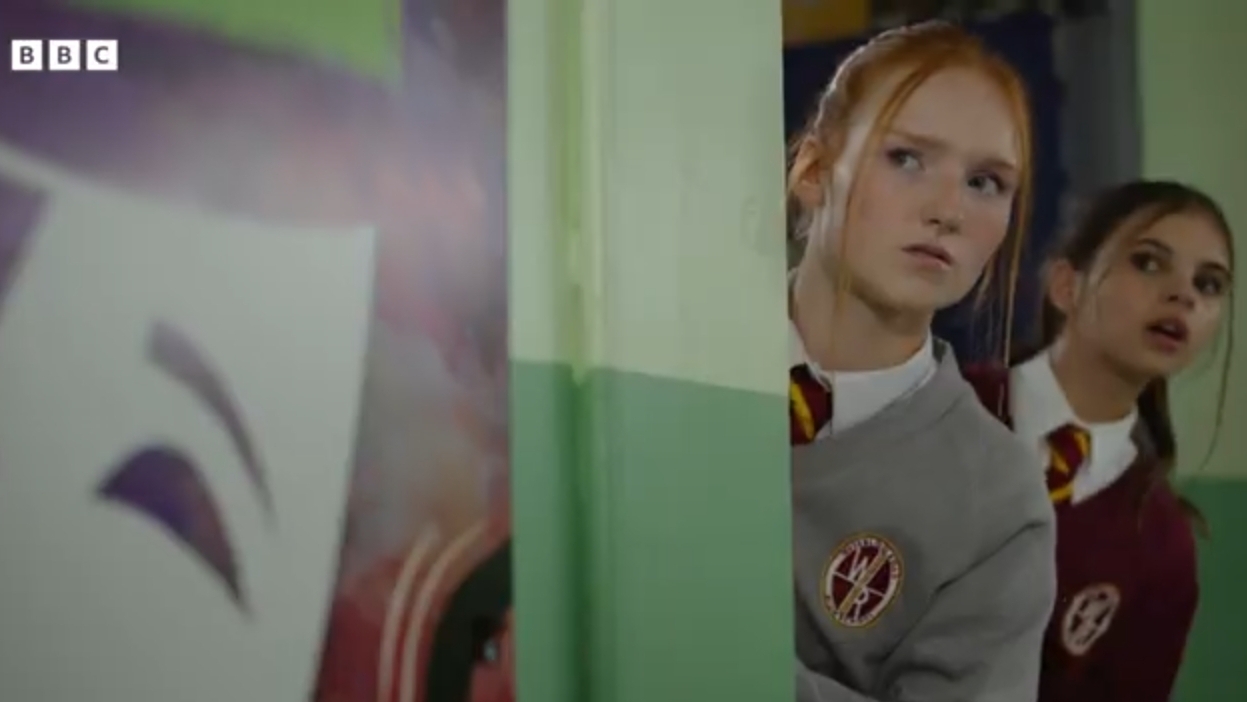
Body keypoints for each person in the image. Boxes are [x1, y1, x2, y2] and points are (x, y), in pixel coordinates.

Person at [787, 20, 1057, 702]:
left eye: (985, 182)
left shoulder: (998, 501)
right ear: (813, 171)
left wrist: (714, 653)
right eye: (906, 158)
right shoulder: (661, 368)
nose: (947, 211)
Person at [962, 180, 1235, 702]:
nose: (1184, 295)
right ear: (1066, 286)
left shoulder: (1162, 542)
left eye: (1209, 284)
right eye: (1149, 263)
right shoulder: (948, 406)